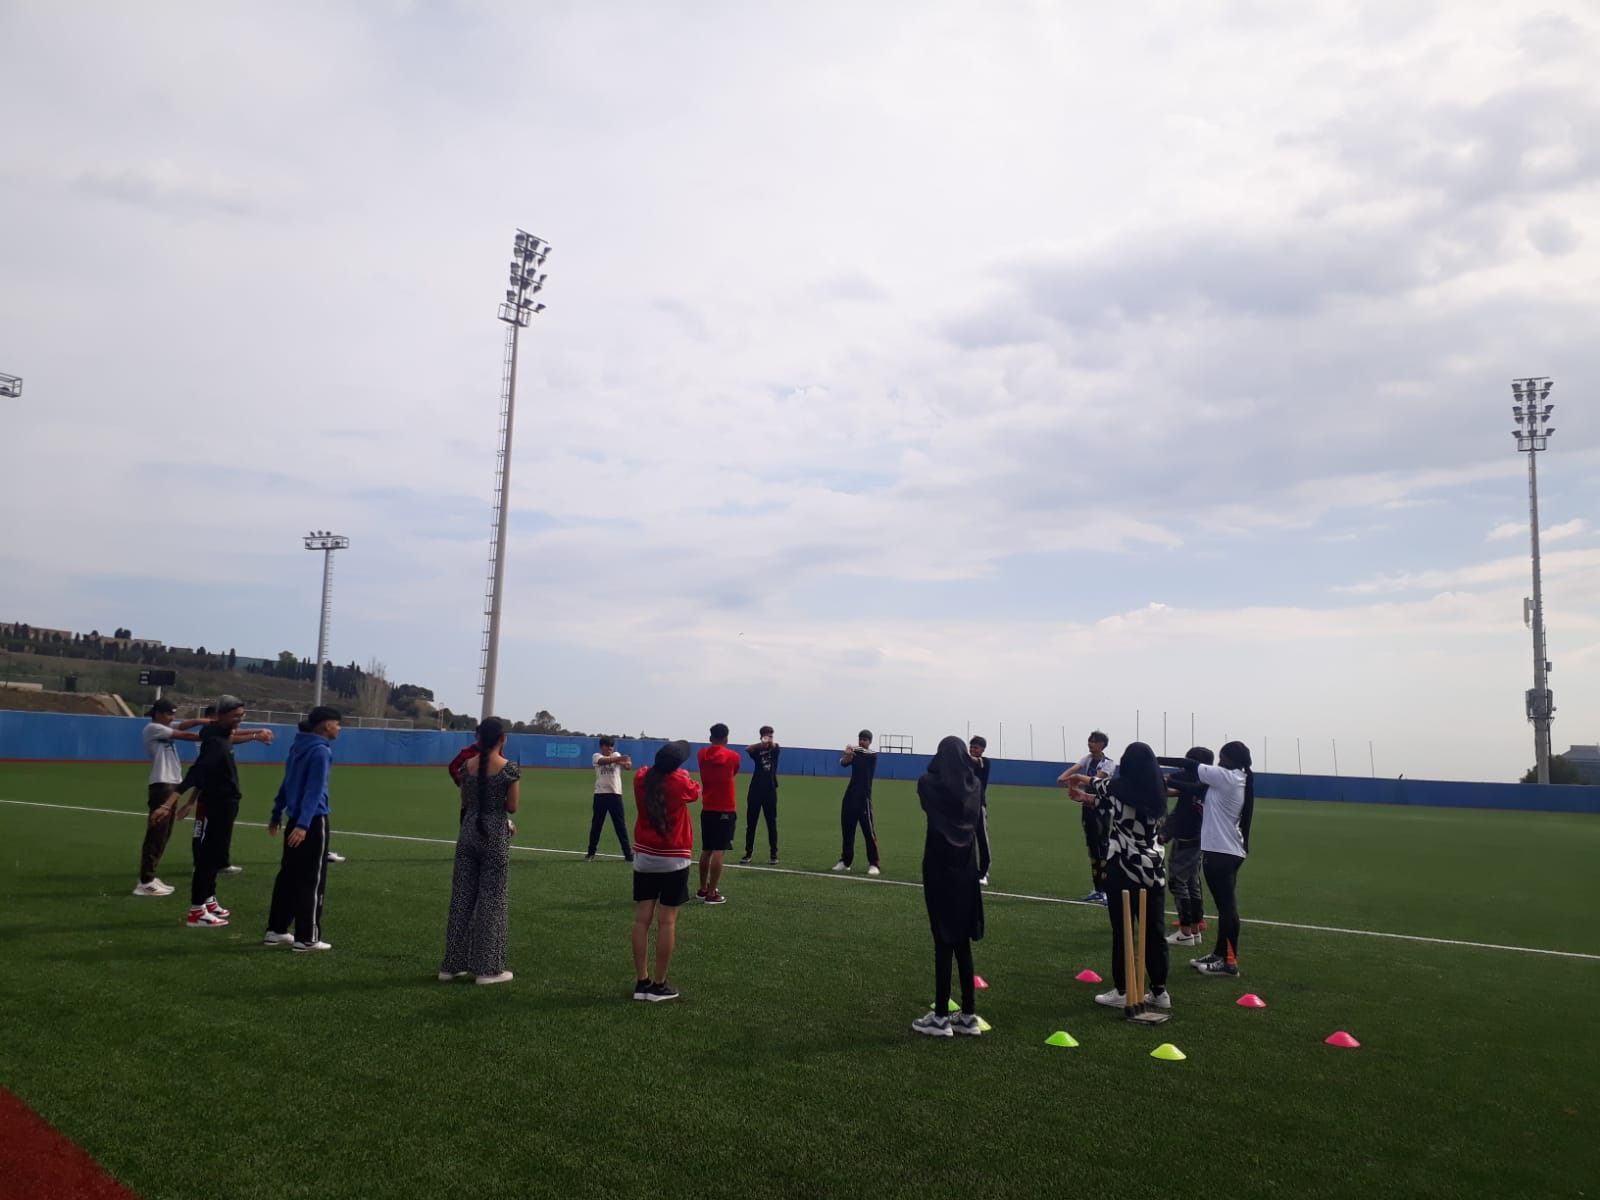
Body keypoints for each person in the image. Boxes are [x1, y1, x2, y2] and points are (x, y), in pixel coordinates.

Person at [1068, 742, 1171, 1013]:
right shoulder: (1157, 790)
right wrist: (1085, 797)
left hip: (1124, 867)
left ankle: (1123, 990)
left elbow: (1100, 786)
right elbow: (1107, 799)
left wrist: (1079, 781)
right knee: (1154, 932)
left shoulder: (1118, 787)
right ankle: (1159, 990)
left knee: (1123, 930)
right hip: (1153, 868)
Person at [910, 737, 987, 1038]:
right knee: (962, 942)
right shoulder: (975, 785)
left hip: (939, 870)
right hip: (966, 871)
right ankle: (968, 1014)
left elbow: (929, 777)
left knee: (943, 941)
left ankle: (941, 1017)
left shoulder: (929, 785)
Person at [1161, 741, 1254, 977]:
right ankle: (1219, 954)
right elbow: (1194, 788)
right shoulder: (1234, 778)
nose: (1219, 762)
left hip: (1221, 852)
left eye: (1223, 758)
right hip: (1226, 850)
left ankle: (1229, 962)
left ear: (1231, 760)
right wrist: (1171, 781)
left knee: (1227, 908)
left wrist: (1155, 760)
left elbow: (1189, 764)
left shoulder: (1226, 776)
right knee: (1225, 908)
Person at [439, 718, 519, 985]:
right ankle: (488, 968)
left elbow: (465, 801)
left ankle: (452, 965)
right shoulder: (509, 768)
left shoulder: (466, 767)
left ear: (478, 738)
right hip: (494, 833)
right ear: (502, 739)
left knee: (461, 898)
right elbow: (512, 806)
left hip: (468, 831)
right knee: (492, 900)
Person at [181, 696, 272, 928]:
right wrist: (186, 800)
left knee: (214, 855)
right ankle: (197, 909)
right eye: (235, 716)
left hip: (222, 800)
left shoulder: (220, 736)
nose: (239, 721)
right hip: (210, 800)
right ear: (216, 718)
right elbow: (199, 772)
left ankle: (208, 899)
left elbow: (234, 735)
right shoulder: (212, 739)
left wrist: (256, 733)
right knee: (206, 856)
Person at [264, 706, 342, 952]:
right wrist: (304, 824)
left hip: (294, 819)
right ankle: (307, 938)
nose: (339, 728)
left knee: (288, 877)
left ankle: (276, 930)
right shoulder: (321, 751)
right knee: (312, 879)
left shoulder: (297, 747)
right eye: (337, 723)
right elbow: (314, 790)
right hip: (312, 822)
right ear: (326, 725)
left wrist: (277, 813)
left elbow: (286, 782)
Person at [631, 741, 701, 1002]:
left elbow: (647, 772)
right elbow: (695, 791)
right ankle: (659, 985)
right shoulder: (680, 781)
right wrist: (682, 773)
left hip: (644, 856)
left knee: (642, 920)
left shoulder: (641, 777)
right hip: (674, 857)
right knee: (667, 921)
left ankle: (642, 982)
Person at [133, 699, 206, 897]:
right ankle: (145, 881)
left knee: (164, 834)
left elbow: (184, 725)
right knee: (156, 834)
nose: (171, 718)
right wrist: (211, 735)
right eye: (168, 714)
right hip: (161, 785)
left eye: (173, 714)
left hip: (170, 785)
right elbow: (185, 734)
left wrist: (204, 721)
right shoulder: (153, 728)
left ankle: (150, 877)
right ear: (157, 714)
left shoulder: (164, 727)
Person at [1162, 746, 1212, 946]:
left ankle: (1185, 932)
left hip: (1186, 839)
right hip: (1199, 839)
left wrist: (1167, 779)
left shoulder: (1194, 781)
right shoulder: (1204, 784)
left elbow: (1174, 788)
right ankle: (1194, 928)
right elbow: (1178, 794)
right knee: (1192, 883)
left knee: (1178, 883)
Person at [1061, 731, 1114, 904]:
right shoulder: (1087, 759)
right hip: (1087, 807)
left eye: (1094, 741)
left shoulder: (1108, 764)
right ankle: (1097, 889)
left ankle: (1106, 890)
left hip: (1101, 809)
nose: (1090, 743)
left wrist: (1075, 780)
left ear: (1102, 745)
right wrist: (1066, 778)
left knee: (1103, 848)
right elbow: (1072, 771)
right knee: (1092, 848)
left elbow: (1095, 781)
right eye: (1090, 740)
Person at [696, 724, 741, 904]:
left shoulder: (701, 754)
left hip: (707, 807)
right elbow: (733, 772)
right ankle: (712, 893)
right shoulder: (733, 756)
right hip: (725, 808)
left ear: (710, 738)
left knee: (707, 849)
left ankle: (703, 888)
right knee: (719, 850)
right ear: (726, 738)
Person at [833, 730, 881, 875]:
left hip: (864, 798)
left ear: (870, 741)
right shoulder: (854, 754)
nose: (862, 741)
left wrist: (852, 749)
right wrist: (848, 754)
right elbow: (842, 763)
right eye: (860, 739)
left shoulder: (871, 755)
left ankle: (874, 864)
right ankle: (845, 861)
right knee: (847, 831)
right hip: (850, 797)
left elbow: (865, 752)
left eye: (865, 739)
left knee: (868, 832)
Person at [585, 738, 634, 863]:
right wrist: (620, 760)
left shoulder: (616, 754)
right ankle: (590, 853)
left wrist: (626, 762)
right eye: (607, 746)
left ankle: (628, 854)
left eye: (611, 746)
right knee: (597, 825)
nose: (610, 749)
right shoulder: (596, 756)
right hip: (600, 795)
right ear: (601, 747)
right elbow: (602, 761)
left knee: (620, 826)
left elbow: (628, 766)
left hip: (615, 795)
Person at [739, 725, 781, 865]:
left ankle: (774, 854)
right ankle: (748, 853)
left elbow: (775, 746)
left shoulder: (775, 748)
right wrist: (761, 743)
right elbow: (747, 749)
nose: (769, 738)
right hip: (755, 790)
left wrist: (769, 742)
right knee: (751, 823)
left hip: (770, 790)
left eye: (771, 735)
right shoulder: (756, 750)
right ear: (761, 736)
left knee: (771, 823)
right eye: (766, 735)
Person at [969, 735, 992, 886]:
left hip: (978, 807)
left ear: (982, 750)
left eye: (975, 747)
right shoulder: (964, 763)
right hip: (965, 808)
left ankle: (983, 873)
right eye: (971, 746)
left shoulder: (985, 762)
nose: (972, 749)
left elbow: (974, 761)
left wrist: (956, 753)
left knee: (982, 840)